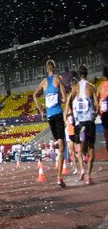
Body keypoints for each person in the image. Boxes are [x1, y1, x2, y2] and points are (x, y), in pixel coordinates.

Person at [33, 60, 69, 188]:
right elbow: (64, 99)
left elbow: (34, 96)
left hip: (49, 117)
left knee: (58, 142)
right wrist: (59, 98)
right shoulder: (58, 79)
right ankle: (59, 177)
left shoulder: (43, 82)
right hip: (58, 114)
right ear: (55, 68)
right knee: (62, 145)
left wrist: (41, 111)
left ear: (46, 69)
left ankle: (55, 154)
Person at [70, 64, 96, 184]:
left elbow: (70, 100)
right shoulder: (91, 87)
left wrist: (72, 112)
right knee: (92, 148)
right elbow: (96, 104)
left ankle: (82, 167)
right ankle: (89, 176)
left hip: (80, 121)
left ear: (79, 74)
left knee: (79, 149)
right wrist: (95, 113)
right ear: (87, 74)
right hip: (89, 120)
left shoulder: (75, 87)